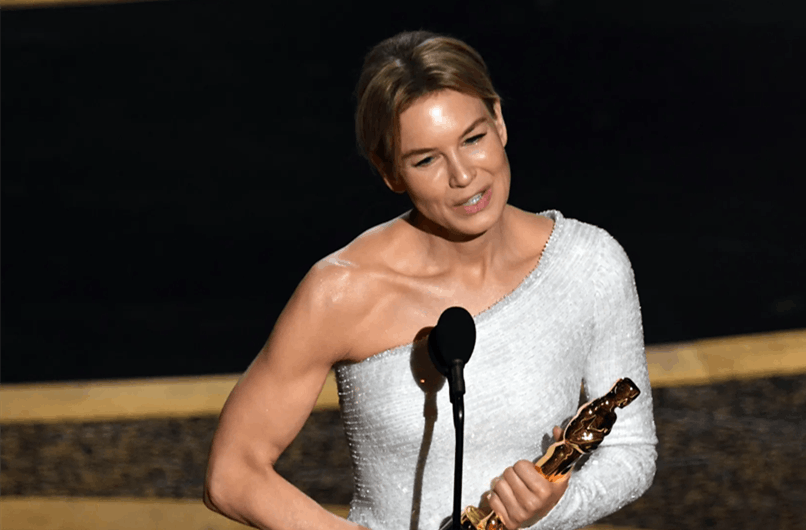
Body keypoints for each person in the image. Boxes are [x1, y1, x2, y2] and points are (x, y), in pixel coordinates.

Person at [204, 30, 657, 530]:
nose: (463, 176)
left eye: (473, 139)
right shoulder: (342, 291)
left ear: (499, 120)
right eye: (426, 159)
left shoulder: (588, 263)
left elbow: (631, 451)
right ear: (390, 172)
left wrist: (553, 507)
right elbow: (232, 472)